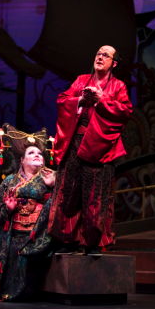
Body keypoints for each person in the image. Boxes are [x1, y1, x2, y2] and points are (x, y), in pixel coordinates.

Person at [48, 45, 133, 255]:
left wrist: (101, 100)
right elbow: (62, 100)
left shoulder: (118, 86)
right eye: (98, 53)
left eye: (106, 55)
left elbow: (125, 111)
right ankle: (67, 240)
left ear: (114, 63)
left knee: (95, 196)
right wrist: (80, 100)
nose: (100, 57)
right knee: (69, 191)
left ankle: (92, 242)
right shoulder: (81, 80)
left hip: (99, 147)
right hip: (75, 142)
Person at [0, 124, 55, 301]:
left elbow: (64, 205)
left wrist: (53, 188)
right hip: (12, 230)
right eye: (31, 153)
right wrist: (7, 208)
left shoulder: (51, 176)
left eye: (39, 153)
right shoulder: (11, 180)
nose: (37, 155)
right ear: (22, 160)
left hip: (39, 234)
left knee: (26, 256)